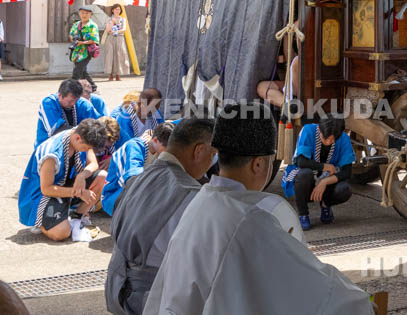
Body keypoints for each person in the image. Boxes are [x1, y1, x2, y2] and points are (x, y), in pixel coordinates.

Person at [143, 102, 373, 315]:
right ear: (259, 163)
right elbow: (318, 291)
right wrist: (361, 302)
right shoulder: (251, 220)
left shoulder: (199, 203)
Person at [105, 118, 217, 315]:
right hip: (150, 298)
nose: (212, 162)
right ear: (199, 151)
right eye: (213, 154)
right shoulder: (189, 194)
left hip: (117, 287)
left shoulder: (139, 179)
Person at [18, 119, 109, 241]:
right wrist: (79, 192)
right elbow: (46, 189)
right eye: (85, 148)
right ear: (77, 138)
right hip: (40, 196)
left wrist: (81, 176)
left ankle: (77, 216)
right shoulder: (51, 154)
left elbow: (93, 164)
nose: (86, 150)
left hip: (65, 185)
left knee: (102, 176)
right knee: (62, 233)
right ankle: (41, 223)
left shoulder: (81, 134)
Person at [281, 116, 355, 231]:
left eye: (333, 139)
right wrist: (325, 166)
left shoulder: (343, 138)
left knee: (345, 189)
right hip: (306, 183)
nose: (330, 142)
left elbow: (347, 172)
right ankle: (303, 214)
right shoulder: (308, 130)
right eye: (327, 139)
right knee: (304, 174)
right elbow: (301, 162)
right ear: (319, 130)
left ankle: (325, 204)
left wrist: (324, 182)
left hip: (326, 182)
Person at [101, 122, 174, 216]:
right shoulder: (135, 146)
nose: (168, 153)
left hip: (137, 194)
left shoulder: (158, 148)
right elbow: (133, 179)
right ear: (155, 140)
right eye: (166, 149)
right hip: (115, 195)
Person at [34, 78, 100, 148]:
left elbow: (97, 124)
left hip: (77, 147)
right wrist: (84, 132)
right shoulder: (48, 103)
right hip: (50, 146)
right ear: (59, 95)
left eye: (76, 100)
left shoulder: (83, 104)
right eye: (70, 101)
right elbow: (57, 130)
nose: (73, 104)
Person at [69, 6, 100, 89]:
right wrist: (74, 39)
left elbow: (94, 40)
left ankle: (70, 88)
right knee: (83, 72)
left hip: (86, 51)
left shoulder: (92, 25)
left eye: (87, 13)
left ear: (90, 14)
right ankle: (92, 87)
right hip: (76, 51)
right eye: (82, 13)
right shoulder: (76, 24)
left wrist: (82, 42)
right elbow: (71, 35)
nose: (84, 15)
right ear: (79, 13)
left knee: (77, 71)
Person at [104, 4, 131, 82]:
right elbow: (108, 30)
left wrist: (116, 31)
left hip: (120, 38)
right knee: (110, 55)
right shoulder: (109, 19)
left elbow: (124, 29)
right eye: (115, 9)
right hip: (110, 38)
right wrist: (112, 22)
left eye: (119, 9)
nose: (117, 11)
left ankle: (118, 74)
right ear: (112, 10)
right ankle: (110, 74)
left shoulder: (123, 19)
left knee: (119, 55)